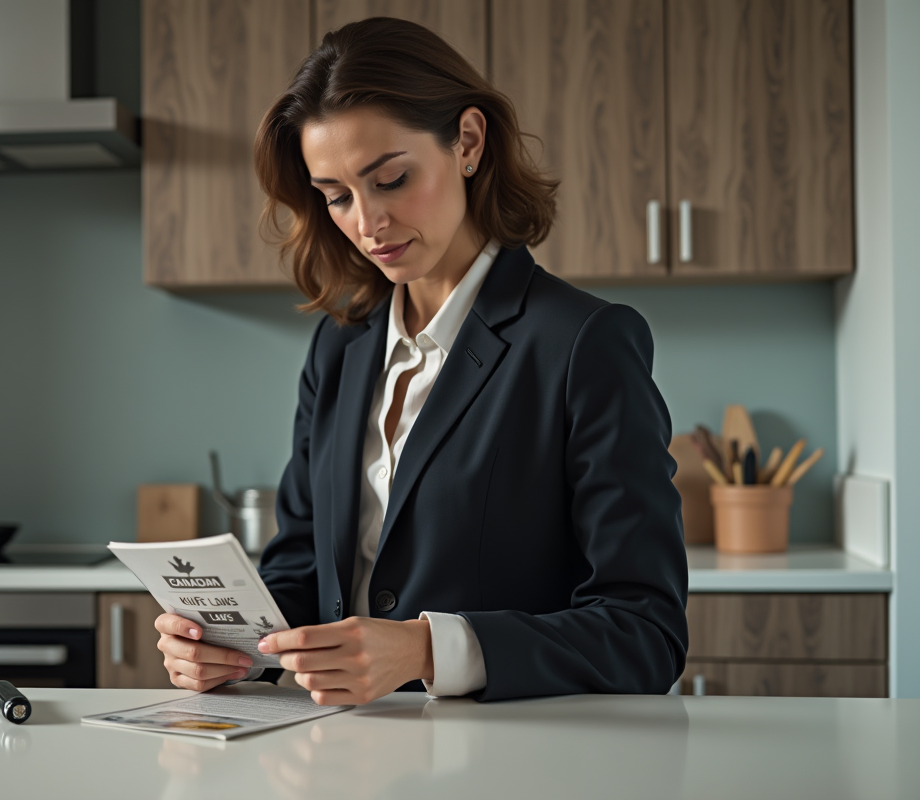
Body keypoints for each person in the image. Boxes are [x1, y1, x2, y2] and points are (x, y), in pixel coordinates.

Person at [154, 17, 689, 705]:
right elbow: (303, 566)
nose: (367, 224)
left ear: (468, 141)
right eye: (337, 196)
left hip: (508, 752)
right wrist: (232, 648)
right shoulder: (340, 345)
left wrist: (429, 650)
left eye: (392, 179)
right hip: (340, 745)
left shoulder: (585, 341)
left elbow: (646, 632)